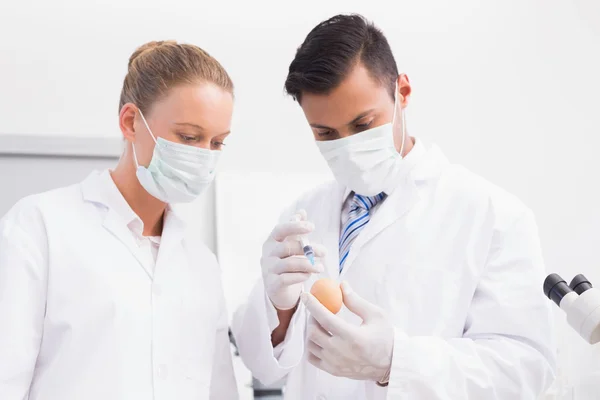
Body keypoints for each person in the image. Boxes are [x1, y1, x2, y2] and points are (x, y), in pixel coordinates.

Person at [232, 14, 556, 399]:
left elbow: (526, 368)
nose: (346, 145)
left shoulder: (494, 216)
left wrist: (395, 361)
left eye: (363, 124)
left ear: (402, 92)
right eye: (325, 133)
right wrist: (278, 309)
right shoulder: (305, 213)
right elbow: (260, 364)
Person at [0, 40, 238, 399]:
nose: (203, 156)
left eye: (217, 142)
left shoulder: (201, 263)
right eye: (188, 136)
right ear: (130, 122)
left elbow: (219, 391)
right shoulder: (40, 227)